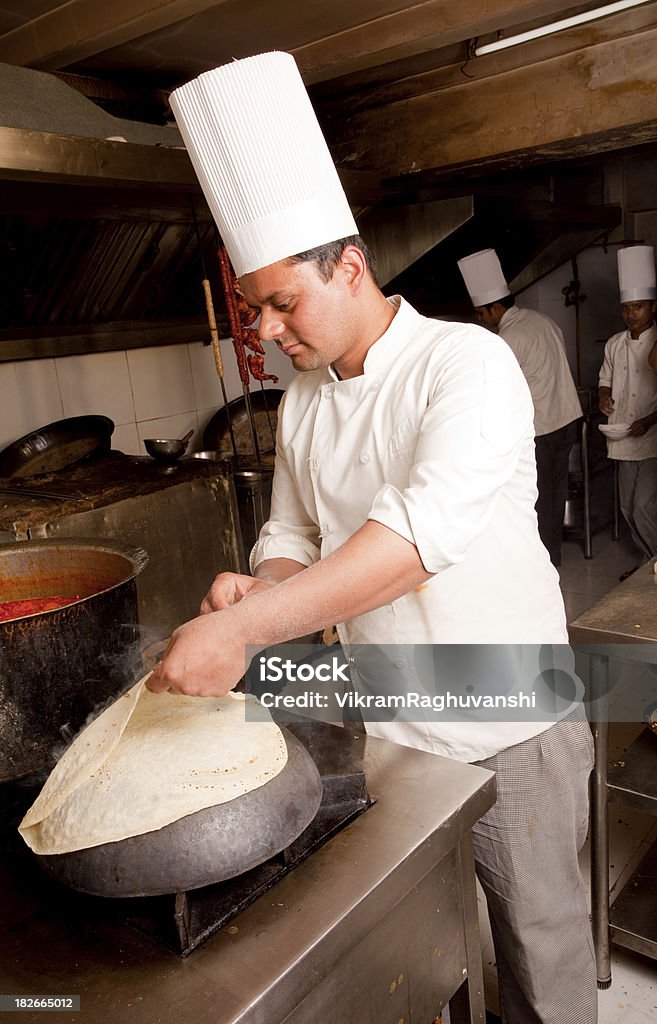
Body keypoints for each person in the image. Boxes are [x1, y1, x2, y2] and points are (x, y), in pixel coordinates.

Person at [148, 52, 597, 1024]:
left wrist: (248, 634)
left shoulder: (465, 364)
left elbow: (412, 542)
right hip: (389, 724)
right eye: (256, 305)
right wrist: (260, 589)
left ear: (348, 266)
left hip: (506, 717)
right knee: (429, 950)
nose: (266, 328)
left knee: (540, 957)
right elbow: (293, 527)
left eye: (282, 301)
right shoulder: (305, 401)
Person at [458, 249, 582, 567]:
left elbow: (503, 391)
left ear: (496, 306)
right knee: (554, 493)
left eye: (483, 314)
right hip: (568, 419)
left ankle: (543, 561)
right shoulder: (542, 320)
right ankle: (551, 557)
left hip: (542, 428)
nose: (482, 320)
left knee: (538, 497)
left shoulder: (510, 337)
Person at [599, 244, 657, 580]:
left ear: (652, 307)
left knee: (643, 507)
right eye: (626, 308)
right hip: (622, 437)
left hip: (651, 440)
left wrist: (647, 422)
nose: (630, 314)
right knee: (626, 508)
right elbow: (605, 379)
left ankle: (652, 561)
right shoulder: (614, 343)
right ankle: (650, 561)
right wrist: (604, 398)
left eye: (637, 307)